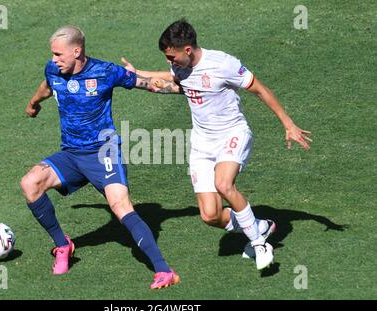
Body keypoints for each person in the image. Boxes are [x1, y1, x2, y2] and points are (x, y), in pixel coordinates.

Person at [122, 19, 312, 270]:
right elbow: (171, 81)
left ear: (187, 50)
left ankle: (258, 243)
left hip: (232, 134)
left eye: (172, 56)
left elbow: (260, 90)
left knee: (224, 184)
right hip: (202, 144)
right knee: (210, 215)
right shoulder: (179, 67)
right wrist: (137, 75)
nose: (170, 62)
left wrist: (288, 123)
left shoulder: (223, 64)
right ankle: (261, 227)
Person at [20, 25, 179, 289]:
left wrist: (182, 90)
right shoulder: (53, 69)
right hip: (71, 154)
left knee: (120, 205)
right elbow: (47, 87)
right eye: (53, 54)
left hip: (103, 152)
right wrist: (33, 103)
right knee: (30, 183)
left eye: (59, 54)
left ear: (77, 51)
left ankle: (164, 271)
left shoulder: (105, 72)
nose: (54, 59)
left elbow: (147, 84)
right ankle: (63, 245)